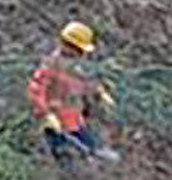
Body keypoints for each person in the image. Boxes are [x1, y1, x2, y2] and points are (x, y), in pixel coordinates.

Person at [25, 20, 111, 167]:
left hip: (75, 121)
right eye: (79, 50)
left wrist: (99, 92)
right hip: (57, 123)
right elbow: (36, 91)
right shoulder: (51, 65)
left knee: (93, 150)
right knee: (67, 159)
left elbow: (80, 84)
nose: (81, 54)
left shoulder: (74, 66)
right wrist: (46, 115)